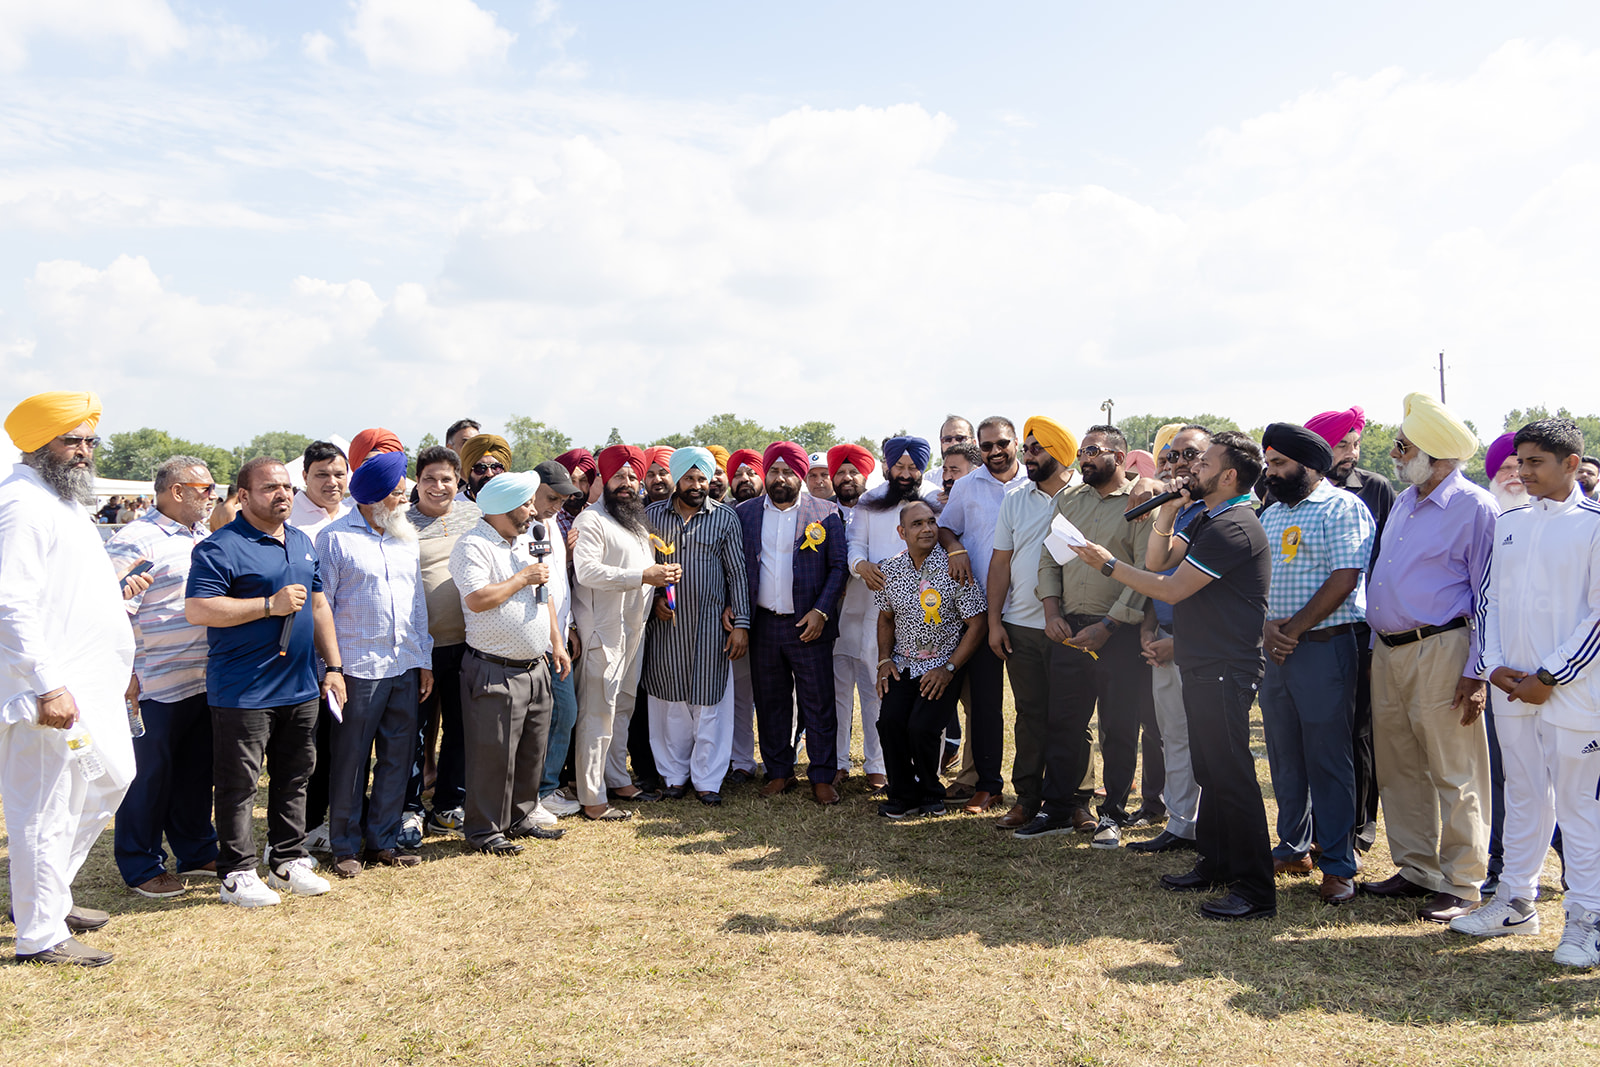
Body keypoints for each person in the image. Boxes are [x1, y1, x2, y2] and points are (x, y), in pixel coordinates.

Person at [1070, 432, 1277, 920]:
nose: (1191, 468)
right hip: (1201, 663)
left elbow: (1170, 587)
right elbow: (1157, 559)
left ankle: (1255, 890)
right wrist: (1167, 510)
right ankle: (1216, 863)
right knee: (1209, 769)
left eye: (1204, 463)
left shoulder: (1235, 526)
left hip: (1225, 666)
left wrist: (1108, 565)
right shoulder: (1207, 516)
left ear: (1229, 476)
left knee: (1231, 775)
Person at [0, 391, 150, 966]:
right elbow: (11, 603)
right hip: (47, 692)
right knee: (45, 809)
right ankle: (40, 935)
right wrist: (47, 684)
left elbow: (64, 591)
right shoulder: (21, 504)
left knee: (112, 778)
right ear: (39, 444)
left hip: (91, 687)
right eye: (72, 441)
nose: (84, 451)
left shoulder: (61, 501)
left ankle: (44, 899)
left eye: (90, 441)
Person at [1455, 417, 1600, 968]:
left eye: (1536, 462)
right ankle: (1515, 901)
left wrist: (1552, 676)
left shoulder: (1593, 524)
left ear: (1571, 464)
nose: (1523, 472)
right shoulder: (1510, 522)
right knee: (1522, 795)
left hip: (1573, 692)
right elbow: (1489, 599)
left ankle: (1587, 919)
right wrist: (1492, 665)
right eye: (1520, 461)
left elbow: (1597, 616)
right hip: (1512, 688)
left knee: (1580, 806)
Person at [1361, 394, 1495, 923]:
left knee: (1454, 768)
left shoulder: (1476, 507)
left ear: (1436, 454)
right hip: (1389, 650)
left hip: (1443, 648)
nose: (1395, 455)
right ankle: (1416, 867)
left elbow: (1488, 595)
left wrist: (1477, 671)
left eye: (1403, 447)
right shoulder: (1405, 500)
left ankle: (1463, 883)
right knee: (1399, 766)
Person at [186, 456, 340, 908]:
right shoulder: (220, 546)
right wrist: (268, 605)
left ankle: (287, 858)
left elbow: (318, 605)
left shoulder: (300, 541)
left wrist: (334, 668)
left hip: (300, 686)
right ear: (244, 495)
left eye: (287, 487)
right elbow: (199, 608)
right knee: (239, 784)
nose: (283, 495)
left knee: (295, 776)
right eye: (271, 488)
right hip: (244, 690)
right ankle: (236, 872)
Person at [1017, 424, 1156, 849]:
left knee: (1118, 726)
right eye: (1081, 452)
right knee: (1064, 723)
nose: (1084, 459)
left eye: (1093, 451)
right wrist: (1051, 611)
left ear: (1120, 456)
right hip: (1069, 629)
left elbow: (1144, 571)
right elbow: (1049, 558)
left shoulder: (1140, 501)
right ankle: (1057, 808)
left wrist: (1109, 626)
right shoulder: (1070, 499)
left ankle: (1112, 813)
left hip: (1119, 633)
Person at [1256, 423, 1375, 905]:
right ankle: (1292, 846)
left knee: (1328, 757)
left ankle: (1339, 864)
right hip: (1275, 650)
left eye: (1279, 464)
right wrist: (1268, 628)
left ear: (1309, 466)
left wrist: (1294, 629)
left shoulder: (1341, 507)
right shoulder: (1269, 514)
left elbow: (1345, 578)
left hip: (1325, 647)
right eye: (1268, 464)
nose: (1271, 473)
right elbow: (1257, 579)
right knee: (1284, 753)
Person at [105, 455, 219, 899]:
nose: (213, 496)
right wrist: (125, 673)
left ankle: (196, 849)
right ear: (177, 491)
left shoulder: (203, 536)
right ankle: (141, 863)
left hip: (201, 678)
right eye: (205, 488)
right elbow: (108, 610)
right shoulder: (136, 539)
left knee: (195, 772)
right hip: (152, 682)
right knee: (148, 777)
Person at [316, 451, 433, 878]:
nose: (405, 500)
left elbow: (416, 603)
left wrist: (423, 659)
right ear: (374, 497)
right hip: (357, 669)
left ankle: (383, 841)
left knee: (398, 756)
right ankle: (344, 846)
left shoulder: (405, 537)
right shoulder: (334, 539)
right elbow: (322, 607)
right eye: (398, 494)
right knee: (351, 759)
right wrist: (331, 669)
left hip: (404, 664)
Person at [449, 470, 570, 853]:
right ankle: (484, 831)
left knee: (531, 749)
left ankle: (520, 817)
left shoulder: (525, 542)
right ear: (504, 507)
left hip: (535, 665)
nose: (533, 511)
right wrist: (521, 578)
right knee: (492, 753)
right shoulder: (472, 545)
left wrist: (557, 643)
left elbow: (545, 595)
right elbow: (477, 599)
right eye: (527, 504)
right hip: (494, 668)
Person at [736, 442, 849, 803]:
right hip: (764, 624)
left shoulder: (826, 512)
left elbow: (838, 567)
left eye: (788, 471)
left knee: (818, 702)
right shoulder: (745, 513)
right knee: (771, 702)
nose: (780, 478)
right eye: (774, 471)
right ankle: (779, 772)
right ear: (766, 473)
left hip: (810, 625)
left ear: (800, 475)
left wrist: (821, 611)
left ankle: (822, 775)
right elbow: (736, 567)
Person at [571, 446, 680, 820]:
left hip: (633, 632)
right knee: (597, 715)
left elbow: (644, 571)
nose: (627, 483)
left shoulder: (635, 520)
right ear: (604, 479)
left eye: (633, 477)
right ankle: (592, 797)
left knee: (623, 709)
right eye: (619, 476)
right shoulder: (591, 520)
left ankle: (617, 779)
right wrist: (642, 576)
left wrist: (661, 580)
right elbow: (587, 571)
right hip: (602, 635)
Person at [1306, 405, 1396, 855]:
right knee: (1315, 734)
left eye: (1355, 444)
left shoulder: (1375, 488)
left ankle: (1360, 825)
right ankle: (1317, 827)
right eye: (1342, 444)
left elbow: (1386, 559)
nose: (1351, 453)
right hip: (1304, 629)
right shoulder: (1284, 488)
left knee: (1358, 730)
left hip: (1358, 625)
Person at [642, 447, 750, 804]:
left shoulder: (724, 517)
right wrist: (654, 601)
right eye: (689, 478)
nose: (696, 485)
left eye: (702, 478)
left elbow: (737, 573)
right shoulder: (651, 516)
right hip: (666, 626)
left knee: (710, 702)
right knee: (669, 702)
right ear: (676, 479)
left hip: (710, 626)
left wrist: (741, 623)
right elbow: (640, 567)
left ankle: (708, 780)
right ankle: (674, 776)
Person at [986, 417, 1077, 830]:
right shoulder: (1015, 499)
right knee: (1030, 715)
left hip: (1073, 625)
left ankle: (1076, 801)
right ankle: (1026, 798)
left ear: (1060, 451)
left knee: (1072, 716)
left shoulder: (1086, 496)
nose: (1028, 455)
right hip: (1020, 625)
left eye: (1037, 448)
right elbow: (1000, 563)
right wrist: (994, 621)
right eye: (1027, 448)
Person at [937, 416, 1030, 815]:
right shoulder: (966, 485)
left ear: (1016, 443)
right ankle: (989, 785)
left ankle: (1040, 787)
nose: (995, 452)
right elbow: (945, 528)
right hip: (980, 610)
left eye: (1002, 443)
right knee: (986, 704)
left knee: (1033, 705)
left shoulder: (1036, 483)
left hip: (1029, 608)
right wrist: (955, 548)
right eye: (987, 445)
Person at [873, 500, 989, 817]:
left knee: (922, 727)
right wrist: (884, 660)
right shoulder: (889, 569)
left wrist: (949, 668)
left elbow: (977, 623)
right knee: (889, 723)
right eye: (917, 524)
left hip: (942, 665)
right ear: (902, 532)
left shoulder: (955, 567)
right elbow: (886, 618)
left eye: (931, 522)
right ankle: (901, 794)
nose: (927, 528)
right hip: (903, 664)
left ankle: (929, 792)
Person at [1127, 425, 1213, 853]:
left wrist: (1179, 644)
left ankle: (1212, 829)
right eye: (1171, 456)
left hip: (1204, 650)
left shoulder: (1222, 514)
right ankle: (1181, 824)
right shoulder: (1173, 511)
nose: (1178, 464)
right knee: (1173, 736)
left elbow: (1221, 600)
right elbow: (1155, 576)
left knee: (1208, 743)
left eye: (1190, 455)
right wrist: (1148, 627)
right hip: (1162, 640)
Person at [843, 437, 940, 793]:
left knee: (928, 694)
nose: (905, 473)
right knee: (879, 689)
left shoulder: (936, 498)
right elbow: (854, 544)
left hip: (930, 614)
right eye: (899, 466)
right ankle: (879, 766)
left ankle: (927, 774)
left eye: (913, 467)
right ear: (887, 466)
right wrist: (861, 565)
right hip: (881, 611)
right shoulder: (870, 501)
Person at [405, 445, 479, 836]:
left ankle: (450, 805)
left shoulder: (474, 516)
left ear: (458, 481)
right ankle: (409, 808)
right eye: (429, 479)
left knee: (460, 728)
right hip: (417, 648)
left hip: (467, 643)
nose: (438, 486)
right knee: (413, 732)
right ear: (417, 482)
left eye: (446, 479)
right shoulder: (400, 523)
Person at [528, 459, 583, 817]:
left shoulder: (552, 526)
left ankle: (544, 787)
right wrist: (557, 641)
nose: (557, 506)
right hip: (539, 642)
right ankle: (541, 790)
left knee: (560, 714)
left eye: (562, 500)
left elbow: (561, 582)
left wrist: (569, 627)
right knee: (560, 713)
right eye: (551, 498)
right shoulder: (524, 529)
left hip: (558, 636)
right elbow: (540, 592)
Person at [289, 440, 351, 539]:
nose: (332, 482)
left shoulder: (355, 515)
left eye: (339, 475)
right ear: (305, 477)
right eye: (322, 475)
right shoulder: (286, 518)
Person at [459, 434, 513, 502]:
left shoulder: (518, 502)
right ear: (469, 472)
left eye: (496, 467)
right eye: (480, 468)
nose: (489, 474)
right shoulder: (454, 505)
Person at [1486, 433, 1529, 514]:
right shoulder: (1481, 512)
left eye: (1521, 466)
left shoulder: (1551, 514)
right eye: (1506, 467)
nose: (1514, 474)